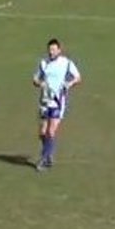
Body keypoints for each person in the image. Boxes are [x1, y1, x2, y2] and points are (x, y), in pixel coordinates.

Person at [32, 39, 82, 171]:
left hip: (58, 101)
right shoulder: (44, 63)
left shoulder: (66, 63)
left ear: (59, 50)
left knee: (50, 131)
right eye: (50, 49)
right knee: (42, 133)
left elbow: (78, 77)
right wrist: (39, 83)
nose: (51, 52)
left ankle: (44, 159)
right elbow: (35, 79)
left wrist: (69, 84)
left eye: (54, 49)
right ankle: (49, 155)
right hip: (44, 101)